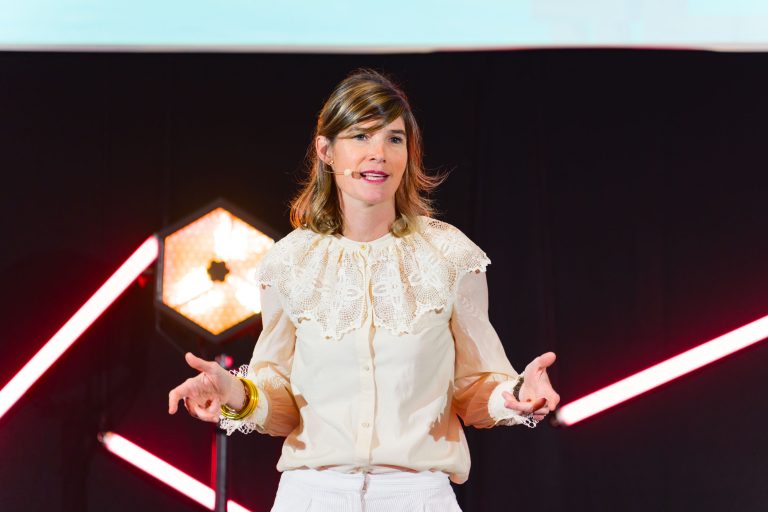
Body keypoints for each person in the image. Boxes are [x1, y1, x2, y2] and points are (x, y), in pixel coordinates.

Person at [168, 69, 560, 512]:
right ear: (325, 150)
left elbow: (472, 385)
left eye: (394, 139)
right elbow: (280, 399)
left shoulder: (450, 255)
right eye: (360, 136)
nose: (378, 154)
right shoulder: (290, 261)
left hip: (418, 497)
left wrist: (515, 396)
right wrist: (235, 394)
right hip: (311, 496)